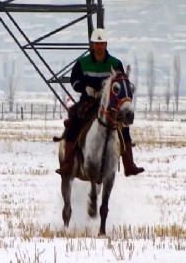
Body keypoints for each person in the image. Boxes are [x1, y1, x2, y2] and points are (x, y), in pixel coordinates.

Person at [55, 27, 144, 177]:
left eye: (102, 43)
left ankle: (129, 164)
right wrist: (85, 88)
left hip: (109, 103)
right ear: (92, 45)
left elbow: (121, 83)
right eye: (97, 43)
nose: (99, 46)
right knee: (74, 122)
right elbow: (74, 81)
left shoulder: (115, 63)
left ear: (106, 45)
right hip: (88, 101)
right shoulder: (82, 63)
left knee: (124, 127)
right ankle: (68, 164)